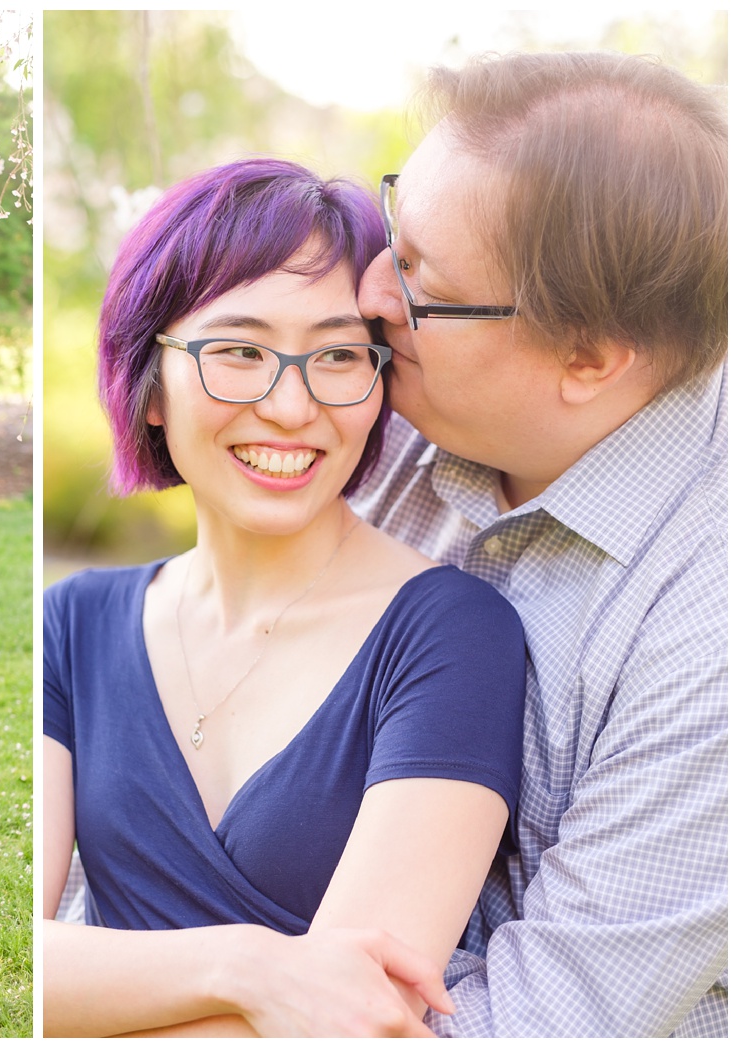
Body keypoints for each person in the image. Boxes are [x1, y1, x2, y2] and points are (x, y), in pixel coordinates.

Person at [43, 158, 530, 1037]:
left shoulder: (454, 635)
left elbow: (355, 1019)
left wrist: (92, 992)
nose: (292, 406)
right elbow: (16, 961)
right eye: (239, 351)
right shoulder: (72, 624)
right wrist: (251, 964)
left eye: (339, 354)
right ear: (151, 384)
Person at [347, 51, 727, 1036]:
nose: (368, 291)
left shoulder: (707, 625)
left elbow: (547, 1020)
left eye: (420, 279)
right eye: (392, 232)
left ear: (586, 359)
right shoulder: (391, 406)